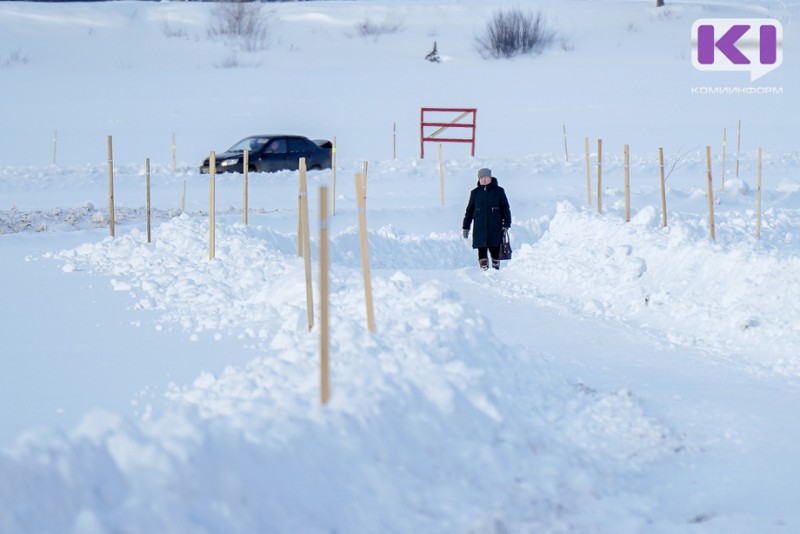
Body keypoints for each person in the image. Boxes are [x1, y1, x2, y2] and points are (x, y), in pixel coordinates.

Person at [462, 168, 511, 270]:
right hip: (480, 227)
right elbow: (469, 211)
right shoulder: (475, 193)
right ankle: (484, 268)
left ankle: (495, 266)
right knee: (482, 247)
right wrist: (466, 227)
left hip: (495, 226)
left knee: (495, 246)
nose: (484, 180)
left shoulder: (499, 191)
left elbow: (505, 208)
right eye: (481, 178)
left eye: (486, 177)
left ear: (490, 178)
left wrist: (506, 223)